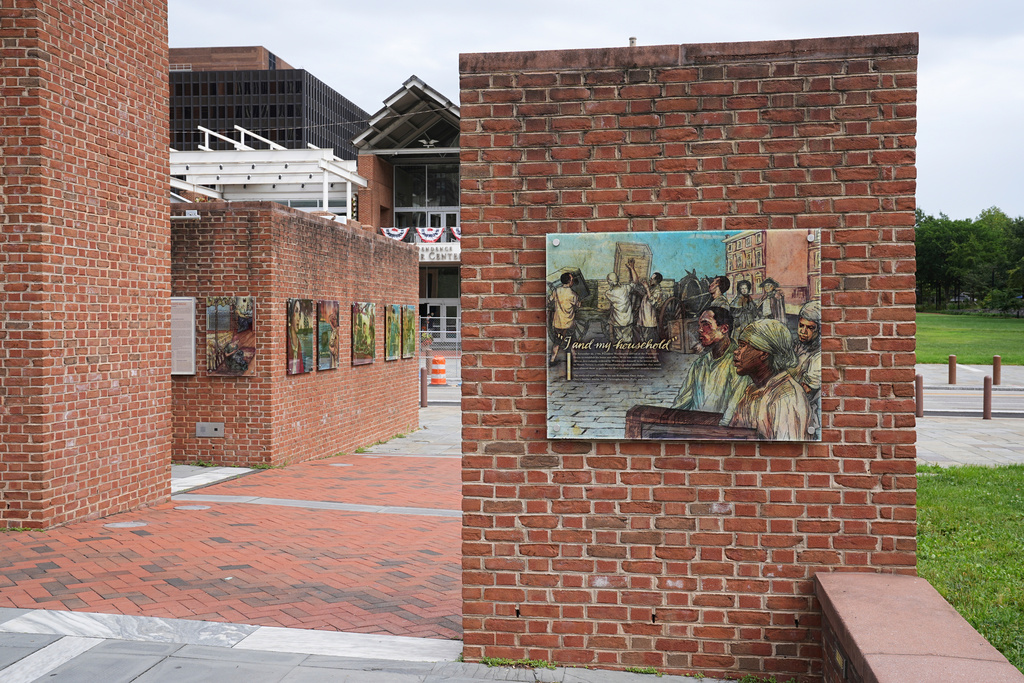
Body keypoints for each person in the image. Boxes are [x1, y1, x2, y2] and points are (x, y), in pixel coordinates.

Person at [728, 318, 810, 440]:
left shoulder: (787, 396)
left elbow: (787, 447)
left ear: (764, 353)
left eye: (743, 345)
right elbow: (733, 437)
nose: (736, 351)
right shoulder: (751, 392)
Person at [671, 306, 750, 424]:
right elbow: (681, 403)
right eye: (699, 325)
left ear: (724, 328)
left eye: (706, 325)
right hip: (695, 428)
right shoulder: (699, 364)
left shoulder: (739, 363)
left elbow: (733, 411)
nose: (700, 330)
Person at [790, 300, 821, 438]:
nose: (803, 331)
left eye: (810, 328)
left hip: (807, 417)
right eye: (801, 325)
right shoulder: (797, 345)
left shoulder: (818, 356)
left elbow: (805, 390)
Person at [628, 260, 664, 351]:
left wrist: (647, 288)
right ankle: (639, 349)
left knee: (650, 341)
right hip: (643, 319)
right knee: (639, 334)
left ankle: (653, 357)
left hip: (649, 321)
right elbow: (637, 288)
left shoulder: (658, 291)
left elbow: (652, 301)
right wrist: (632, 269)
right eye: (650, 278)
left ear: (657, 281)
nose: (650, 280)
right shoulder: (651, 288)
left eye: (652, 279)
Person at [549, 272, 581, 365]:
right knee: (571, 342)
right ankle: (575, 360)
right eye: (572, 280)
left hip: (558, 323)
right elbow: (578, 305)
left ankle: (552, 360)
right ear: (570, 281)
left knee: (557, 342)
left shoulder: (556, 291)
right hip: (568, 324)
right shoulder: (572, 294)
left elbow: (550, 300)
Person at [605, 270, 634, 345]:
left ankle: (618, 349)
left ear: (610, 282)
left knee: (619, 340)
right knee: (627, 340)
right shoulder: (625, 288)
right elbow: (634, 282)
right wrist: (631, 268)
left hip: (617, 321)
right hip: (627, 320)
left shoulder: (608, 293)